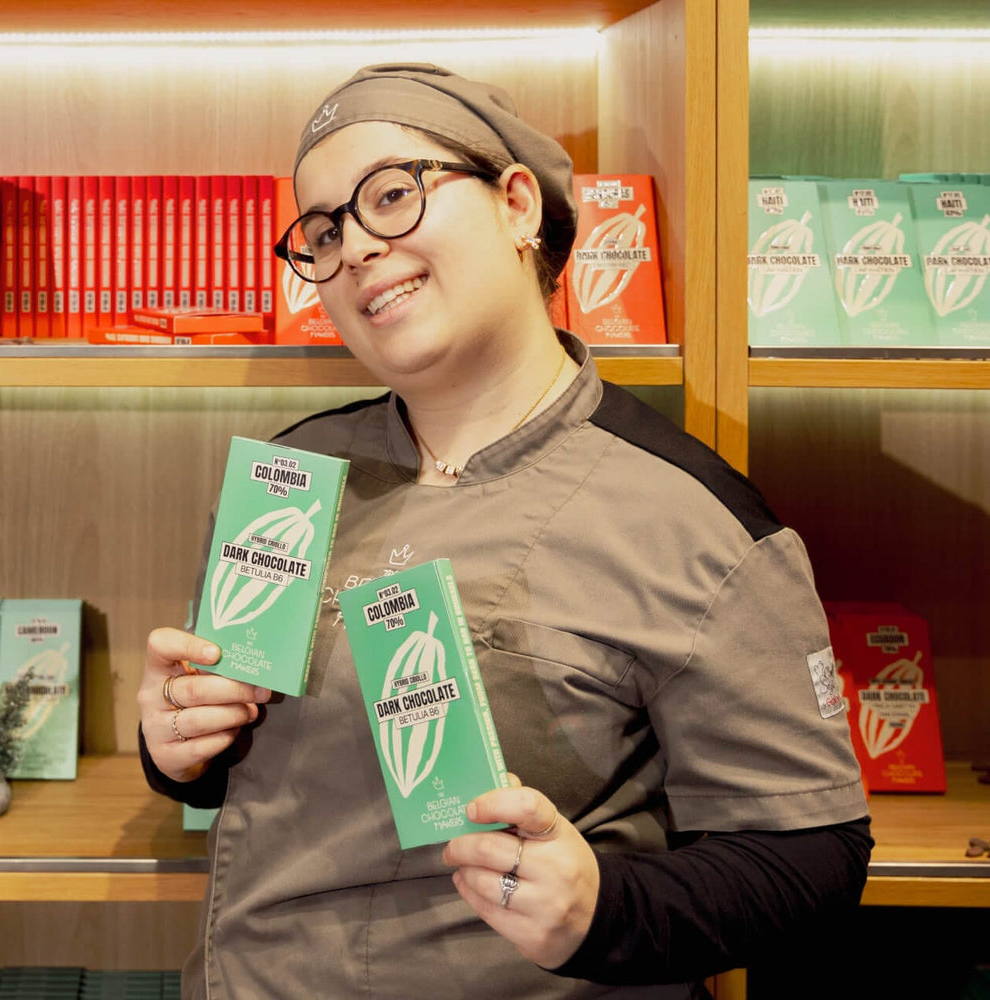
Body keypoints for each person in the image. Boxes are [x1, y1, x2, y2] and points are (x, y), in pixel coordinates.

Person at [138, 63, 871, 998]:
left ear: (518, 204)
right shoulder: (291, 476)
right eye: (322, 231)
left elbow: (812, 855)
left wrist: (604, 909)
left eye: (391, 195)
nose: (354, 247)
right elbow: (243, 777)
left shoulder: (694, 518)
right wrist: (179, 746)